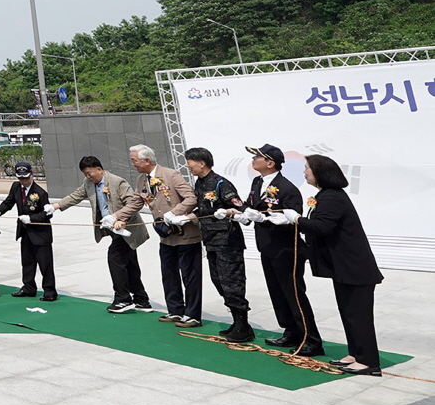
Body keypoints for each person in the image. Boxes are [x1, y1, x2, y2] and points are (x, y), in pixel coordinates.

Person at [289, 154, 383, 376]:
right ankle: (356, 353)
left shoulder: (333, 197)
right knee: (348, 312)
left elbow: (322, 227)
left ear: (320, 172)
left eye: (307, 168)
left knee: (359, 316)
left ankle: (369, 361)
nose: (304, 172)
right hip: (343, 267)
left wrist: (296, 220)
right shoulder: (326, 195)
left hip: (355, 267)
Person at [238, 144, 323, 355]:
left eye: (258, 157)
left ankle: (311, 339)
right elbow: (253, 207)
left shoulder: (287, 188)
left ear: (270, 163)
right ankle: (290, 330)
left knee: (294, 294)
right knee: (277, 292)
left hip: (287, 249)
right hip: (267, 247)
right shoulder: (258, 182)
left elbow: (294, 218)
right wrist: (244, 215)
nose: (253, 160)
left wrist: (267, 218)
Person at [115, 145, 201, 327]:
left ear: (146, 160)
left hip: (185, 235)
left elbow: (191, 198)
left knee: (190, 276)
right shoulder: (142, 179)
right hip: (165, 236)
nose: (133, 164)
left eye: (134, 160)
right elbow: (136, 202)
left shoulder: (171, 175)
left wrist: (175, 213)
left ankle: (192, 315)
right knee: (168, 274)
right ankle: (175, 310)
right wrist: (116, 216)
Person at [53, 156, 151, 314]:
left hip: (127, 229)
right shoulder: (88, 183)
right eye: (85, 174)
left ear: (99, 169)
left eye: (89, 173)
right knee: (130, 264)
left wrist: (121, 219)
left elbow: (132, 204)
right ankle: (141, 300)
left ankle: (123, 299)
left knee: (115, 259)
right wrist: (55, 207)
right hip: (113, 230)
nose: (88, 177)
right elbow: (75, 196)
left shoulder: (117, 182)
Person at [183, 147, 253, 342]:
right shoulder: (200, 183)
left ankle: (243, 325)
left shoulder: (221, 183)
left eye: (190, 162)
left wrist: (230, 212)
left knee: (232, 283)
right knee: (218, 281)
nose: (188, 166)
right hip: (211, 241)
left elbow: (241, 209)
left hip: (228, 242)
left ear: (202, 163)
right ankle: (237, 321)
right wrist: (189, 216)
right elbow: (205, 209)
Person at [0, 160, 55, 301]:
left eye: (26, 178)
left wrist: (31, 218)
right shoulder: (16, 187)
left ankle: (50, 291)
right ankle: (28, 287)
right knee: (27, 262)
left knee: (45, 264)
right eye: (20, 178)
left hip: (40, 234)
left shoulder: (40, 193)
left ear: (32, 175)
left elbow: (48, 214)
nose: (23, 181)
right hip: (25, 232)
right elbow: (9, 202)